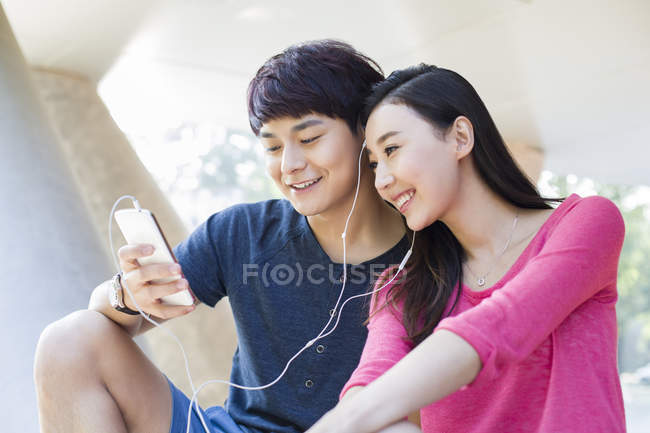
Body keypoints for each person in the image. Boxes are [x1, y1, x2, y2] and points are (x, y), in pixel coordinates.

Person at [33, 40, 409, 433]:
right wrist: (127, 295)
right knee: (68, 341)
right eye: (272, 147)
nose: (290, 165)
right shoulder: (242, 232)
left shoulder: (431, 253)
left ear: (368, 133)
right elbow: (102, 315)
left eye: (309, 139)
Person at [306, 64, 627, 433]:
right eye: (375, 164)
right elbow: (367, 385)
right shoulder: (402, 290)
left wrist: (341, 422)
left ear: (460, 137)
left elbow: (497, 329)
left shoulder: (586, 223)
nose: (382, 181)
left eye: (392, 149)